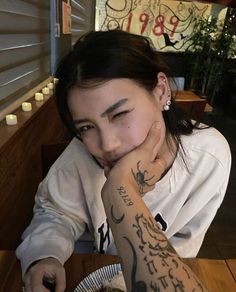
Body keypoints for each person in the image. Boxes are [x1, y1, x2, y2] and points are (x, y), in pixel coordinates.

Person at [16, 30, 231, 291]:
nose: (107, 145)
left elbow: (182, 253)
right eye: (86, 127)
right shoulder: (80, 154)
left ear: (161, 91)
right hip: (84, 274)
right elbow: (55, 213)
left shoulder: (207, 159)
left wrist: (120, 187)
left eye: (119, 114)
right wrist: (45, 255)